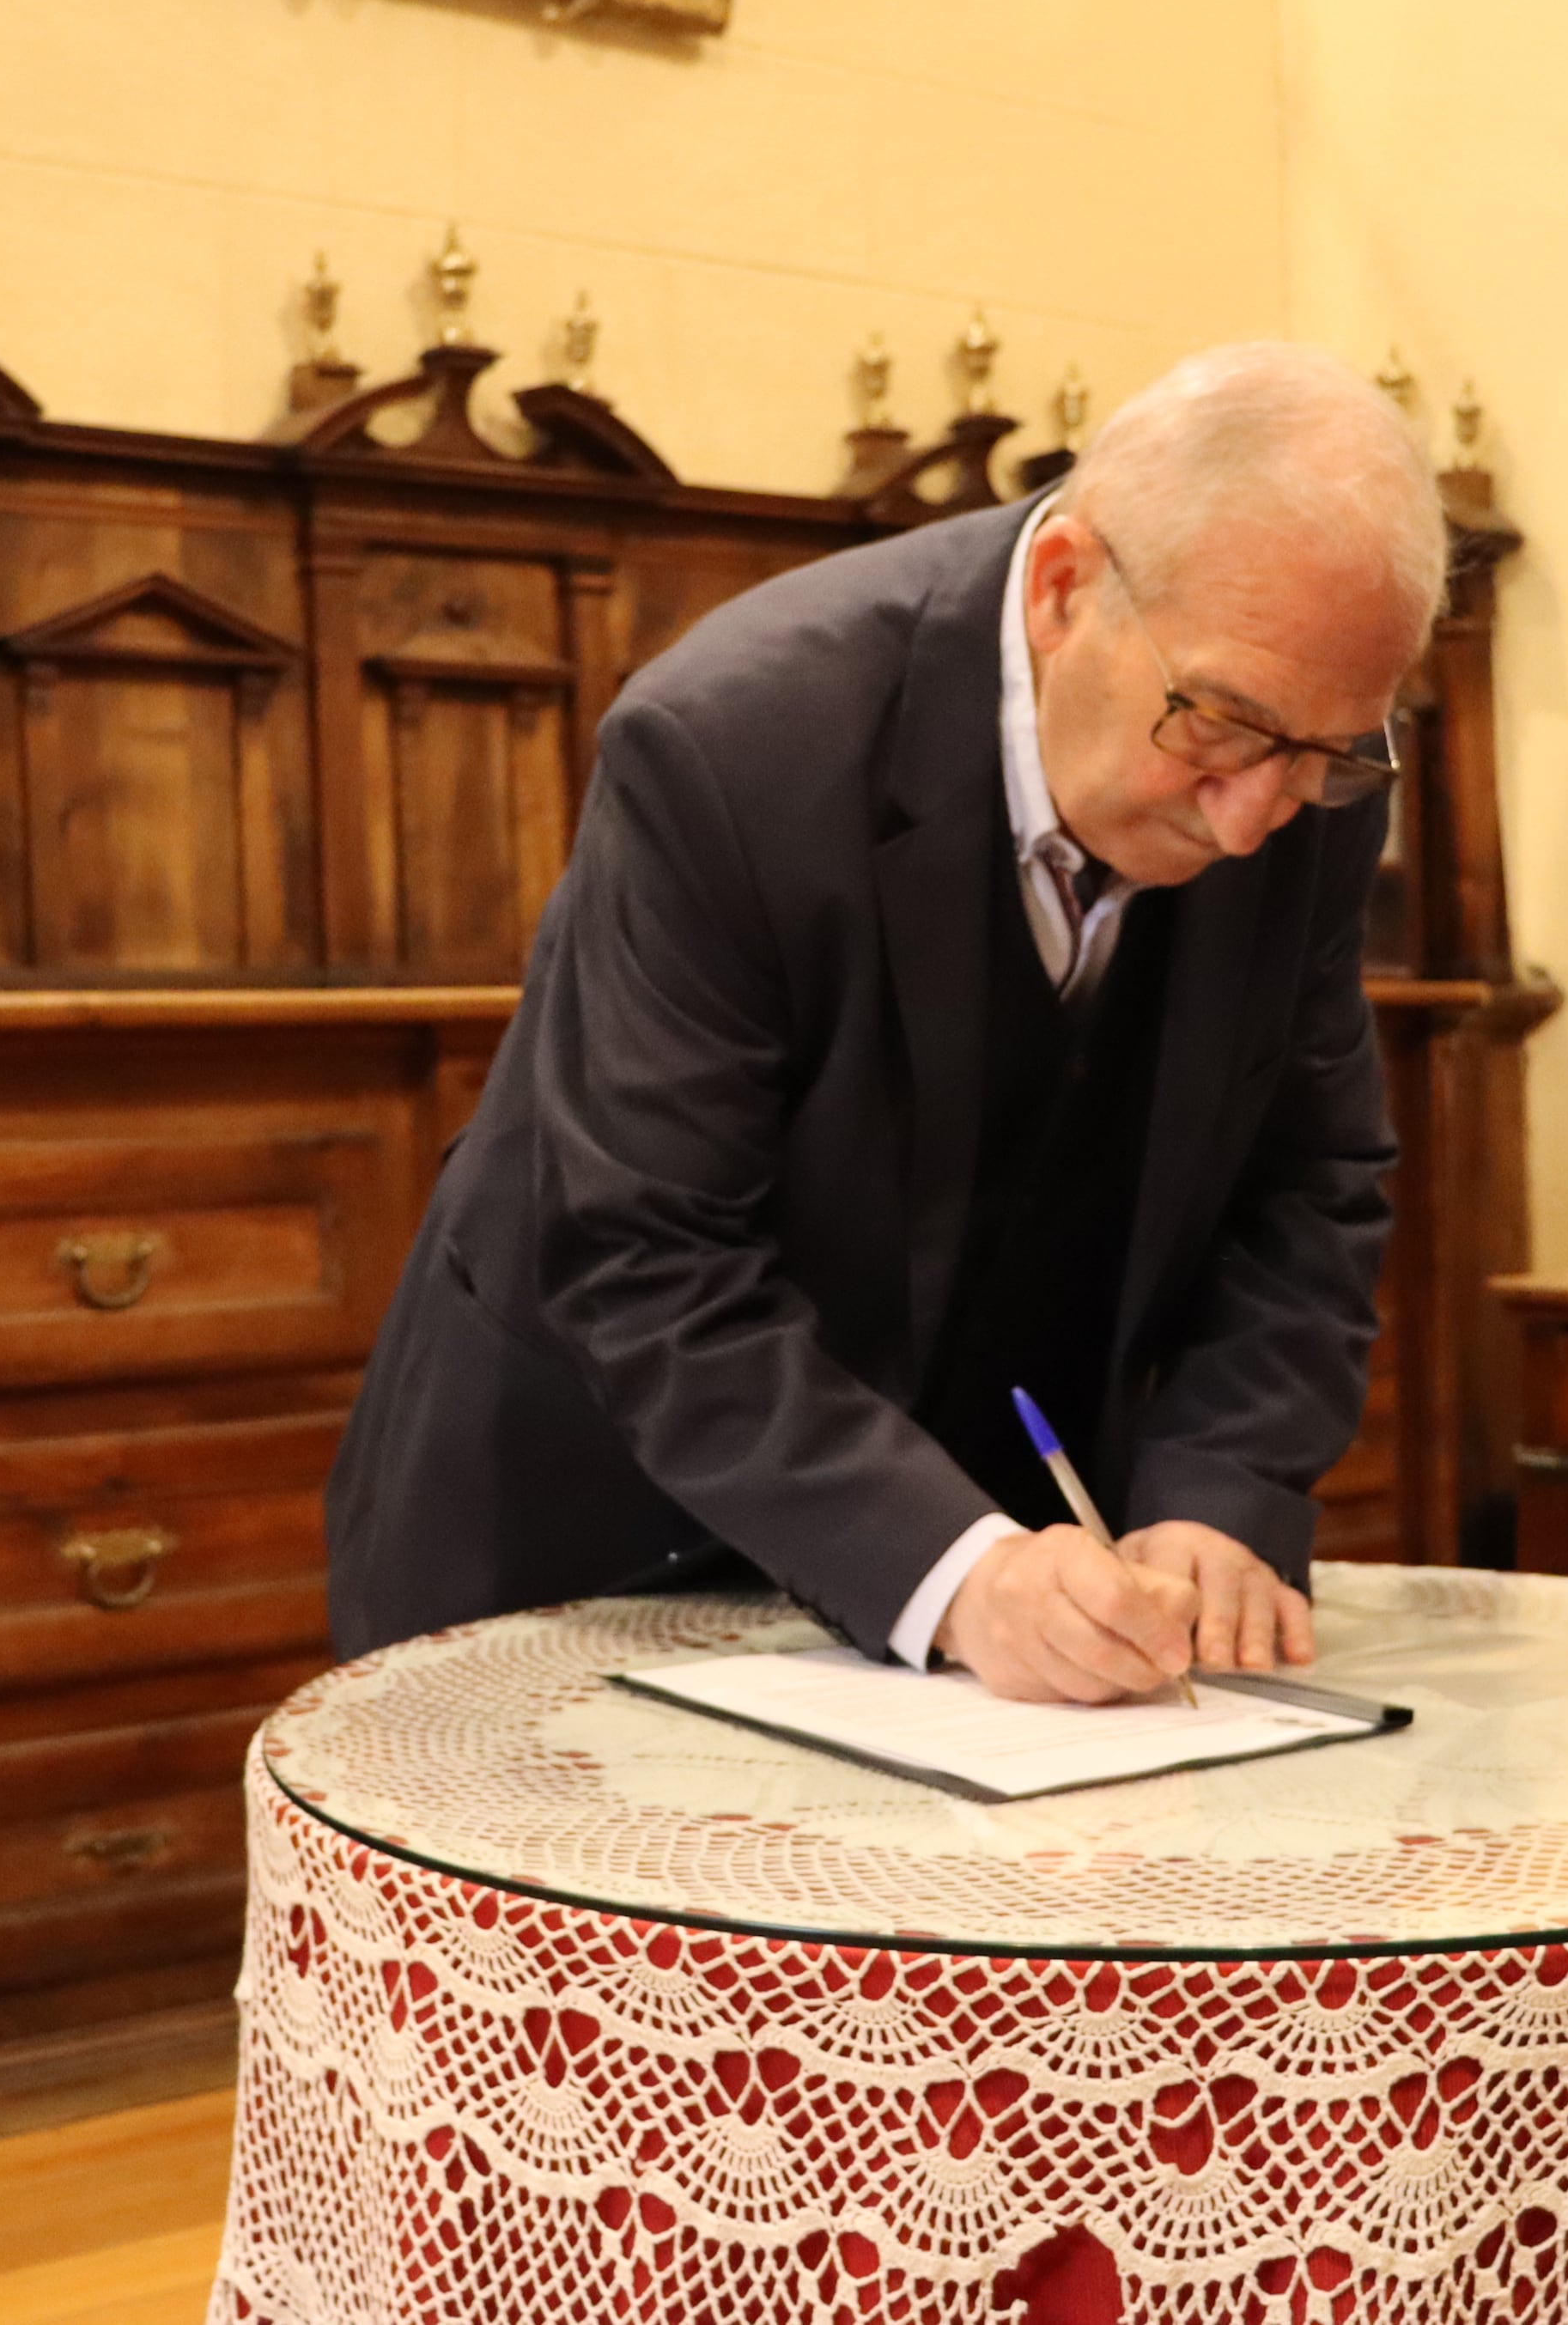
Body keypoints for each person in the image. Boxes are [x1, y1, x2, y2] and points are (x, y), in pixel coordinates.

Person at [326, 343, 1442, 1706]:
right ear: (1062, 588)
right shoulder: (732, 745)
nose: (1255, 814)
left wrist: (1219, 1491)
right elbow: (647, 1257)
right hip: (590, 1530)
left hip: (989, 1570)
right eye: (1220, 727)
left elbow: (1306, 1180)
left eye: (1326, 754)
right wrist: (954, 1569)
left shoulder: (1310, 762)